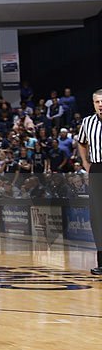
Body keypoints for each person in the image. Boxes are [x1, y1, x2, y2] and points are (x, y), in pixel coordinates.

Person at [75, 88, 102, 275]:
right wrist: (85, 162)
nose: (101, 105)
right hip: (98, 168)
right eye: (97, 102)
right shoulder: (87, 122)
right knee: (98, 216)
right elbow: (81, 142)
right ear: (93, 104)